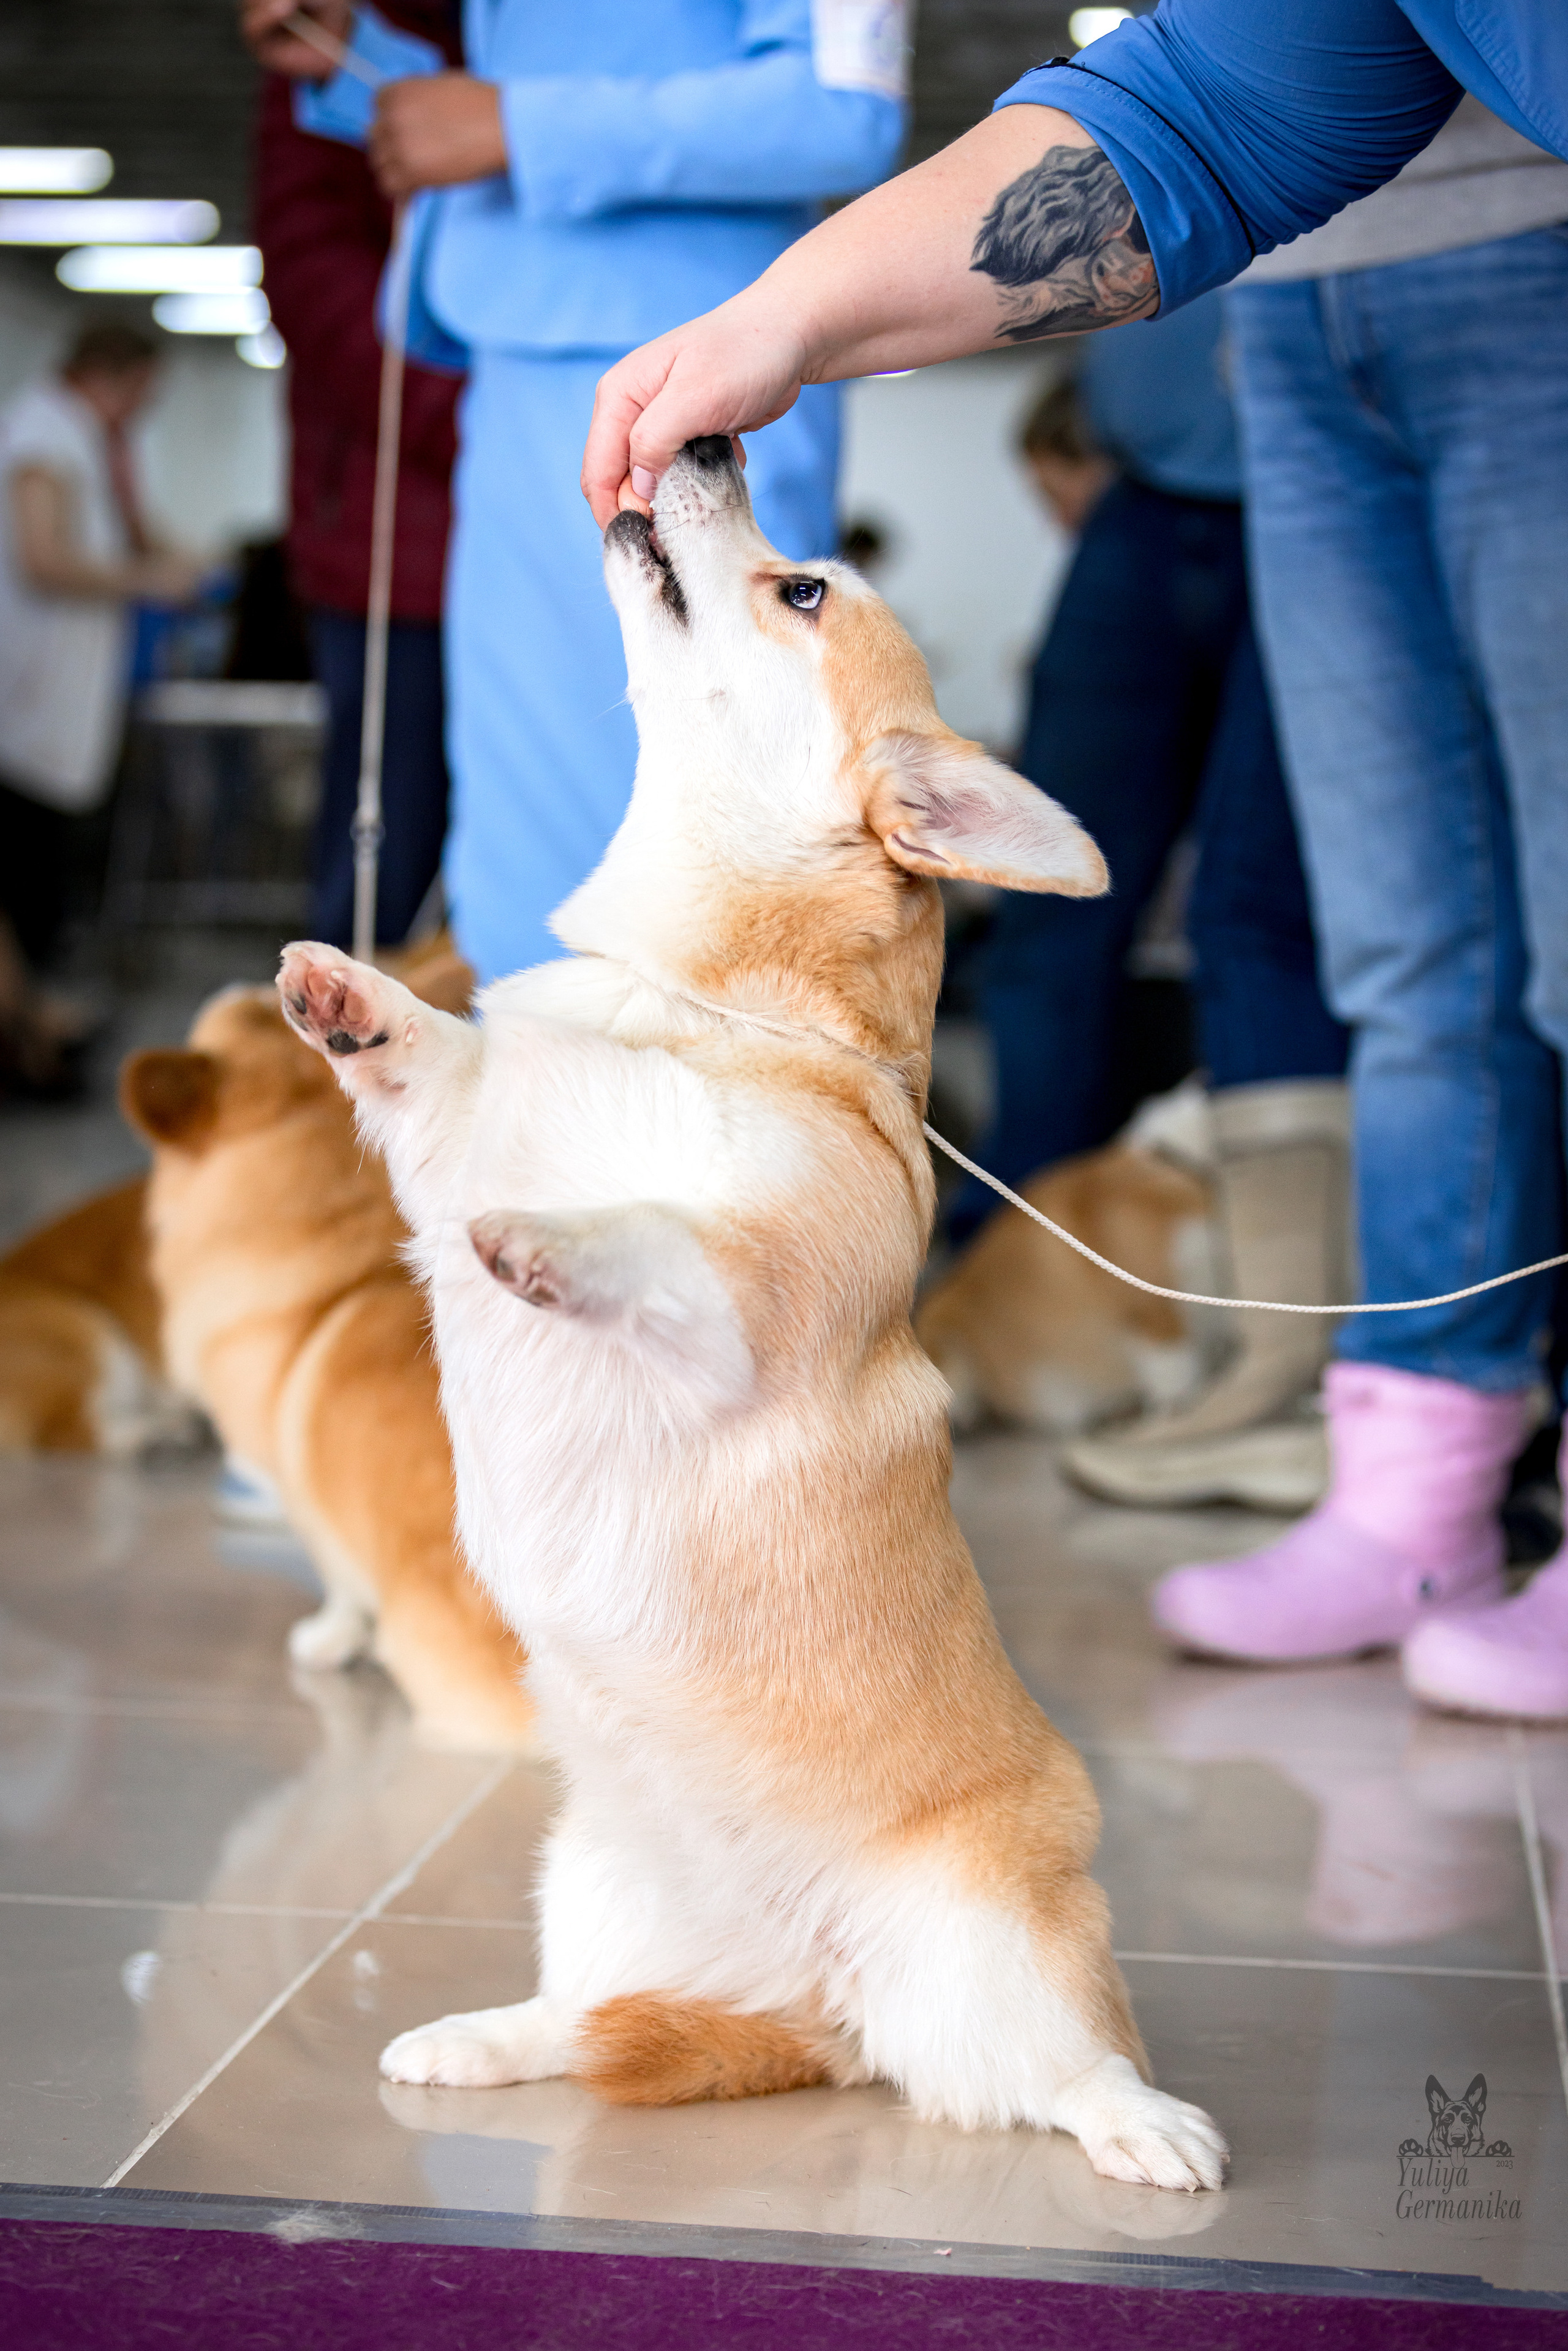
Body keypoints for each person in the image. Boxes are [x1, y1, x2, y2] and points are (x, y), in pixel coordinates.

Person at [579, 0, 1568, 1724]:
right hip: (1307, 297)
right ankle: (1418, 1474)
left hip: (1532, 271)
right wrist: (786, 317)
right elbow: (1205, 103)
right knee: (1409, 945)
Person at [242, 0, 907, 983]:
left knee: (694, 865)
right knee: (521, 886)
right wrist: (367, 65)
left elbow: (842, 107)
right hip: (511, 364)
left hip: (688, 368)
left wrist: (514, 125)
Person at [958, 309, 1350, 1514]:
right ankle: (1024, 1282)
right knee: (1041, 907)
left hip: (1315, 483)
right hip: (1145, 490)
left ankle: (1286, 1350)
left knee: (1257, 915)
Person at [251, 1, 464, 949]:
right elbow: (313, 283)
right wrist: (486, 424)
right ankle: (335, 1093)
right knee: (381, 879)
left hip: (531, 531)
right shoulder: (334, 38)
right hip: (393, 551)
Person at [0, 320, 198, 1089]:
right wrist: (151, 580)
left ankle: (34, 1026)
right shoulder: (43, 436)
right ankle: (29, 1035)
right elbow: (43, 557)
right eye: (145, 391)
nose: (146, 408)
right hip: (23, 713)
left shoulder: (90, 443)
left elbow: (136, 536)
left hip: (49, 715)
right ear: (112, 374)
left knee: (37, 888)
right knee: (24, 889)